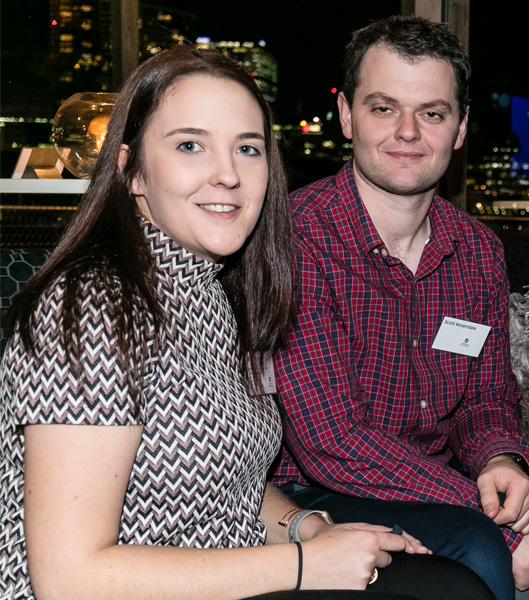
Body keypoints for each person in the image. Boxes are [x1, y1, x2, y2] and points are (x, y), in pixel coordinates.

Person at [0, 45, 492, 600]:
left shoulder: (218, 290)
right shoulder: (95, 306)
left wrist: (305, 527)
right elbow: (68, 578)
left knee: (454, 584)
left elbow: (230, 481)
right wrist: (302, 566)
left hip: (236, 569)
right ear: (130, 170)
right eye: (190, 145)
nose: (228, 175)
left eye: (247, 149)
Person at [272, 15, 529, 600]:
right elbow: (332, 441)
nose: (407, 132)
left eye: (432, 113)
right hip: (324, 489)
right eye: (383, 108)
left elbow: (485, 398)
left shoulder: (476, 250)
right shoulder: (296, 240)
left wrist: (501, 462)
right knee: (478, 546)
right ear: (345, 115)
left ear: (461, 127)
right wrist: (494, 516)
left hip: (444, 474)